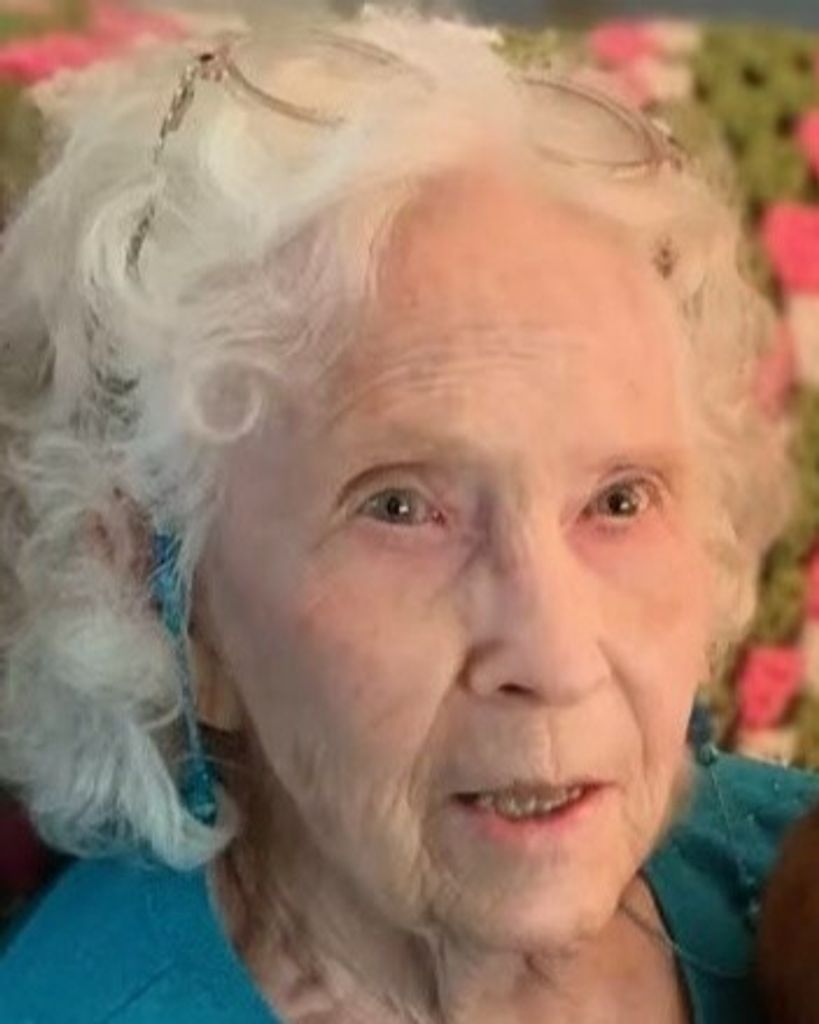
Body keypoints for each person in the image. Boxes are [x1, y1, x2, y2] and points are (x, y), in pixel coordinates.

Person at [0, 10, 817, 1024]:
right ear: (159, 599)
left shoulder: (789, 887)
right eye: (399, 508)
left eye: (618, 500)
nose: (555, 657)